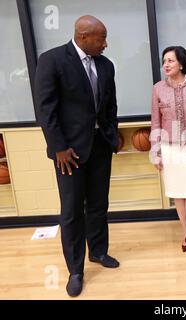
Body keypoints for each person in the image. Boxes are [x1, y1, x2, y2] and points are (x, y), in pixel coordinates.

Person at [34, 15, 120, 297]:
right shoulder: (53, 60)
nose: (105, 44)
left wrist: (111, 134)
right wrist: (58, 147)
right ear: (83, 36)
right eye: (101, 38)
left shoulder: (106, 66)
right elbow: (46, 110)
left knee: (98, 204)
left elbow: (110, 105)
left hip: (99, 147)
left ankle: (98, 252)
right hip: (68, 152)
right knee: (72, 211)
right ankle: (75, 270)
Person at [150, 46, 186, 260]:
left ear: (181, 64)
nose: (166, 64)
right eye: (164, 61)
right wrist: (155, 151)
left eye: (171, 61)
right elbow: (155, 121)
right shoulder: (158, 88)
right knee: (178, 195)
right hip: (169, 148)